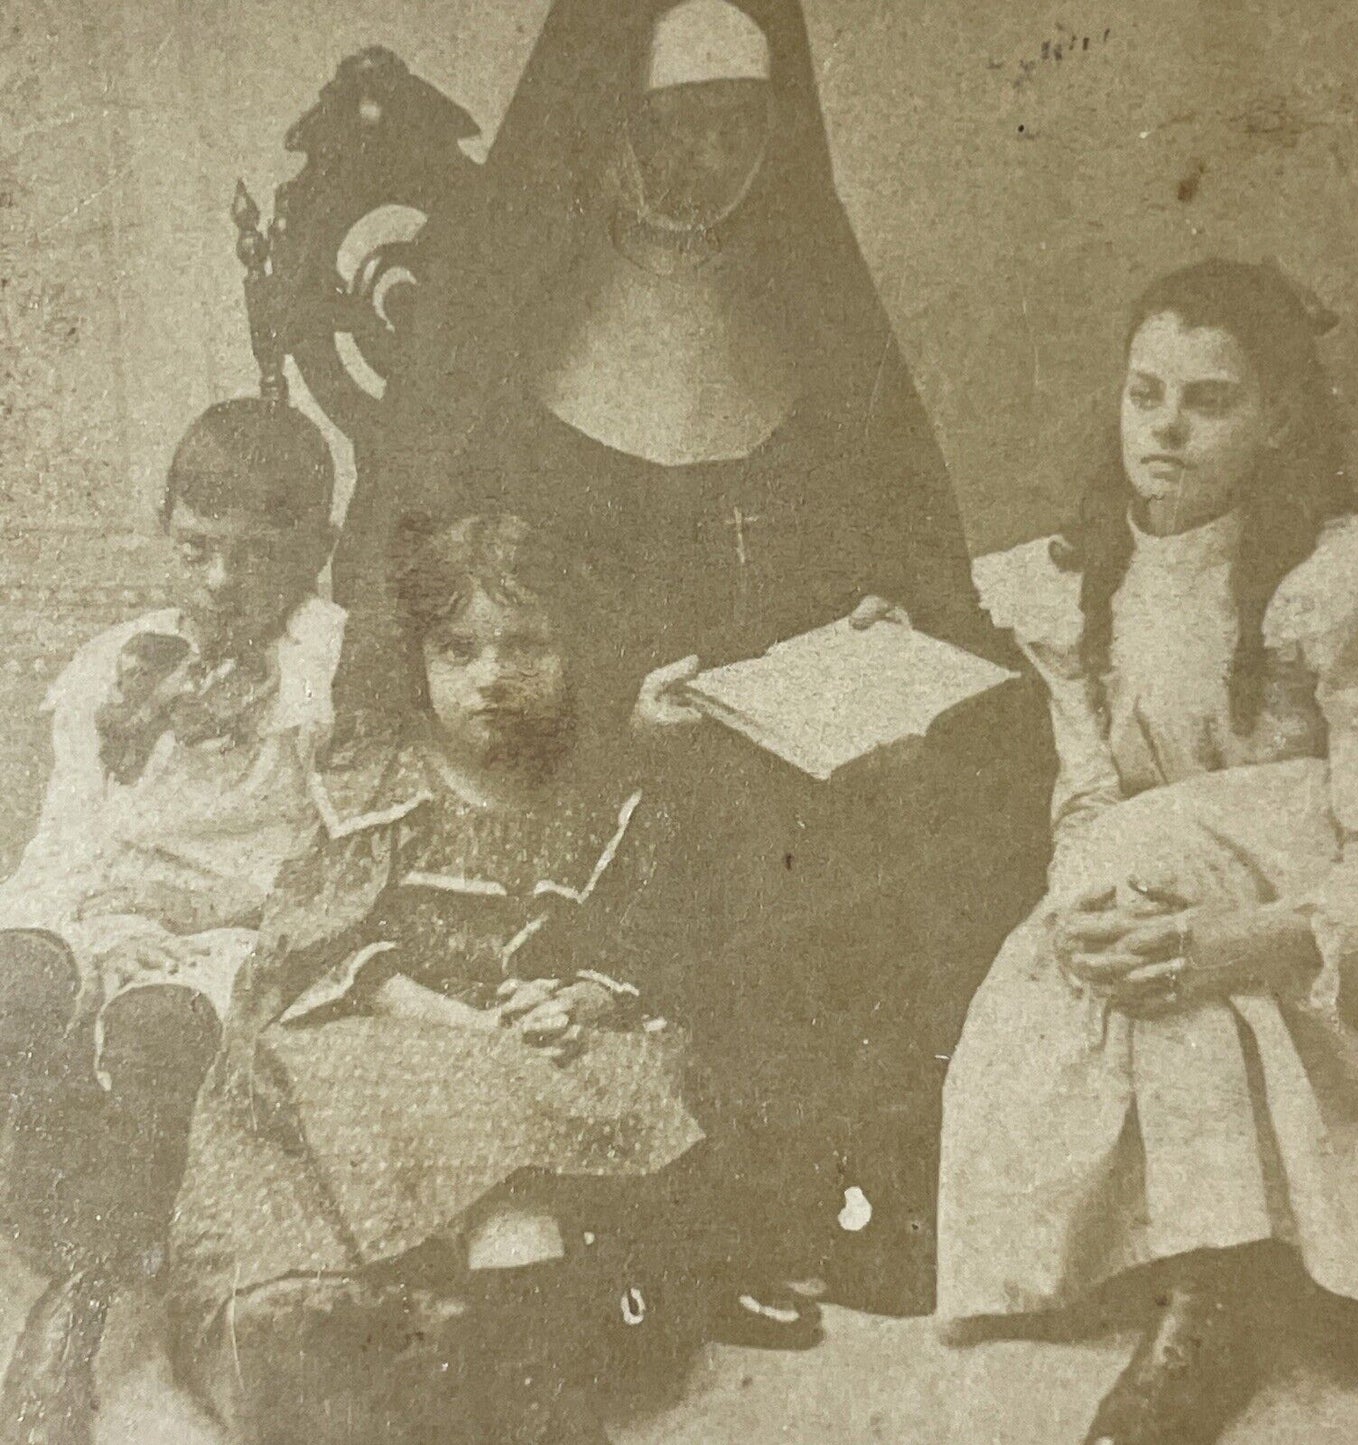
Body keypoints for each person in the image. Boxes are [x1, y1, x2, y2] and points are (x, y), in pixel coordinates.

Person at [336, 0, 1053, 1333]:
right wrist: (612, 701)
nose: (714, 161)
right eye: (681, 126)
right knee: (721, 826)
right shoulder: (513, 323)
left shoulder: (802, 294)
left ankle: (862, 1200)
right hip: (580, 717)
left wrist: (883, 619)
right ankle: (720, 1226)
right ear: (614, 122)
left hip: (790, 703)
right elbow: (453, 592)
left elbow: (889, 529)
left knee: (976, 766)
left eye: (743, 126)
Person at [934, 260, 1358, 1445]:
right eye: (1142, 392)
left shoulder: (1336, 576)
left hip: (1313, 929)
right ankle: (1221, 1277)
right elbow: (1085, 806)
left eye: (1207, 399)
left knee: (1149, 849)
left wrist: (1242, 939)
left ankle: (1210, 1290)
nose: (1161, 428)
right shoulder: (1071, 590)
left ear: (1274, 420)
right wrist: (1090, 917)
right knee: (1113, 890)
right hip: (1161, 903)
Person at [167, 512, 703, 1445]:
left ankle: (523, 1354)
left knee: (625, 1068)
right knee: (315, 1322)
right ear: (418, 658)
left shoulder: (597, 798)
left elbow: (624, 947)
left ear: (575, 653)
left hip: (512, 1053)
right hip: (368, 1047)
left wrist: (578, 995)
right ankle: (511, 1361)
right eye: (458, 650)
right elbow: (320, 960)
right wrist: (462, 1027)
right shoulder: (381, 782)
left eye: (525, 646)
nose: (491, 676)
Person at [0, 398, 344, 1443]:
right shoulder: (119, 659)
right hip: (101, 894)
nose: (220, 582)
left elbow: (336, 859)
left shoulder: (329, 668)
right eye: (196, 548)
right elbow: (63, 839)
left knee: (160, 1031)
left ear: (316, 550)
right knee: (20, 975)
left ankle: (75, 1304)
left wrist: (196, 913)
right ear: (165, 528)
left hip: (231, 925)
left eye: (255, 555)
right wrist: (91, 930)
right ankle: (48, 1166)